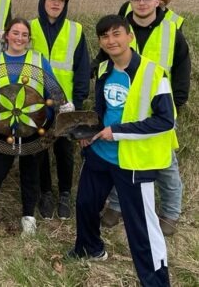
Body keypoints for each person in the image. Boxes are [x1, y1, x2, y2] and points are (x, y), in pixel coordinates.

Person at [67, 15, 175, 287]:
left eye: (116, 34)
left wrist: (115, 132)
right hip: (101, 154)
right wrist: (92, 134)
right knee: (85, 205)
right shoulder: (104, 69)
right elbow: (105, 113)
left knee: (141, 226)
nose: (111, 41)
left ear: (129, 37)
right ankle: (89, 248)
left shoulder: (154, 73)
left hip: (134, 162)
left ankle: (156, 281)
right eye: (104, 36)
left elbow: (165, 121)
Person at [99, 0, 190, 235]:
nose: (141, 3)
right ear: (130, 1)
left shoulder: (172, 32)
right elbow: (103, 59)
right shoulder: (119, 29)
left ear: (157, 2)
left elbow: (182, 74)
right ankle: (116, 206)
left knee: (165, 164)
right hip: (125, 110)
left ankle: (170, 214)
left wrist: (175, 108)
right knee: (123, 158)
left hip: (160, 111)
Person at [0, 18, 57, 235]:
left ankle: (28, 215)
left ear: (29, 39)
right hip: (1, 128)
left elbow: (52, 92)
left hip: (32, 128)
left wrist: (50, 112)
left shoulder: (39, 60)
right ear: (7, 35)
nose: (20, 38)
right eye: (15, 33)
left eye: (24, 35)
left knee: (31, 172)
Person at [30, 0, 90, 220]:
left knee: (64, 152)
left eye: (61, 0)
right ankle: (45, 192)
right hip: (36, 104)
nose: (56, 3)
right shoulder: (30, 28)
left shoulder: (76, 30)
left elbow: (82, 69)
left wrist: (76, 100)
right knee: (40, 150)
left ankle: (65, 193)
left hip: (66, 105)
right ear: (43, 1)